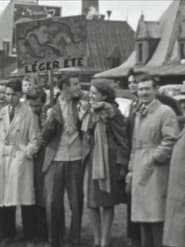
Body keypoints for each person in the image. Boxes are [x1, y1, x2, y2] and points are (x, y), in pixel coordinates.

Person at [128, 74, 179, 247]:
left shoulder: (165, 111)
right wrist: (131, 169)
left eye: (147, 89)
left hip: (156, 170)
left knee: (156, 214)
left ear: (155, 90)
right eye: (140, 89)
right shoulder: (139, 112)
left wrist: (155, 158)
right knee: (143, 217)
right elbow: (135, 144)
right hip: (140, 167)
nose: (143, 93)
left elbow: (170, 140)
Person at [82, 79, 129, 247]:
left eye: (94, 93)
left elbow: (122, 138)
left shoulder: (113, 112)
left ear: (105, 95)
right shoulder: (88, 110)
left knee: (107, 202)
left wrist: (123, 162)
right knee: (92, 202)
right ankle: (96, 239)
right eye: (90, 92)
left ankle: (104, 240)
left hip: (108, 161)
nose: (91, 95)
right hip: (92, 158)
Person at [41, 74, 84, 247]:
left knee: (76, 201)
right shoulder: (50, 108)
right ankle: (54, 239)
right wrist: (50, 121)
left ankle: (74, 239)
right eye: (75, 84)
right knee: (52, 203)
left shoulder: (81, 104)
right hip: (55, 158)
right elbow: (44, 137)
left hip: (75, 157)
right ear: (64, 87)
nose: (78, 87)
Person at [0, 79, 40, 242]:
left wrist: (27, 153)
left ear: (20, 95)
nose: (9, 97)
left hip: (20, 157)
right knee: (4, 197)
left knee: (24, 196)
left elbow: (35, 138)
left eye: (13, 94)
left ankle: (29, 233)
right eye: (7, 94)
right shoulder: (2, 112)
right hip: (3, 157)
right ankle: (7, 232)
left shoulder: (29, 113)